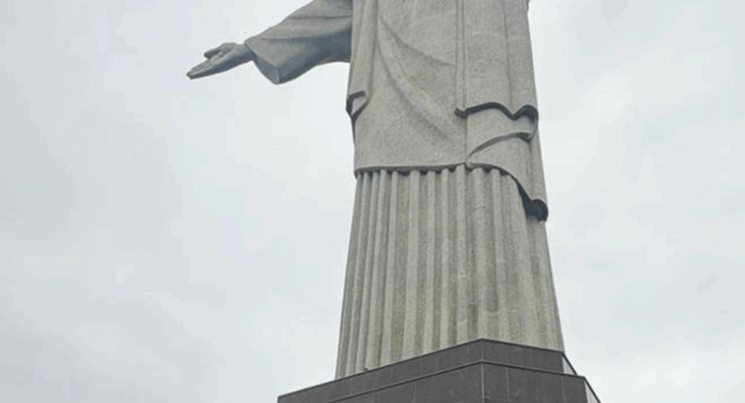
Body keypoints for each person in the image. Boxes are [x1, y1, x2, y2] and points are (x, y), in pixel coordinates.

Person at [189, 0, 564, 376]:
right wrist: (252, 47)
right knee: (392, 229)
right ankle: (382, 370)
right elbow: (337, 11)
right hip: (389, 98)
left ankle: (503, 361)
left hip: (478, 96)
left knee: (485, 212)